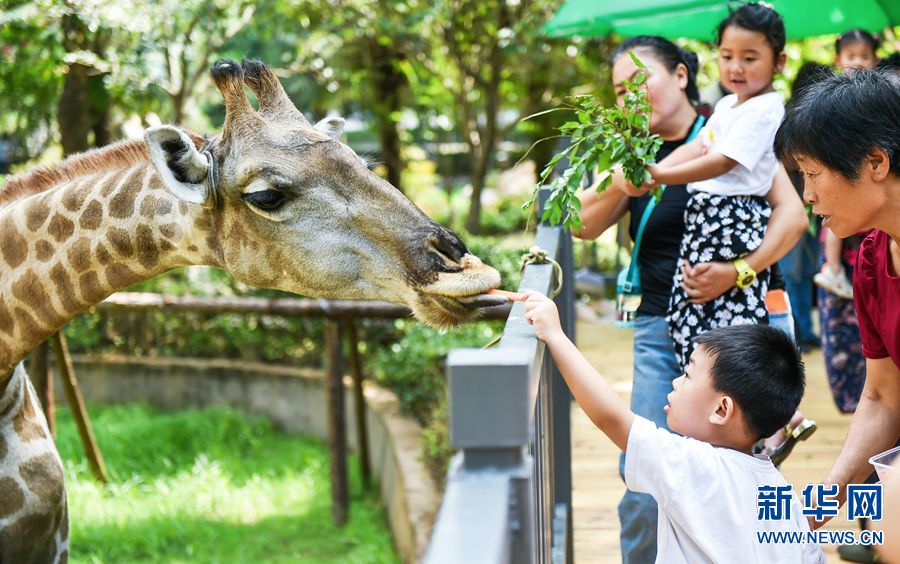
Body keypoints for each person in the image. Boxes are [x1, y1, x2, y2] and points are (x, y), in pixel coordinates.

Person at [575, 34, 809, 563]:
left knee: (738, 468)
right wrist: (629, 176)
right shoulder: (632, 158)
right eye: (619, 91)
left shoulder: (732, 131)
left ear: (680, 76)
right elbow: (582, 224)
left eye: (641, 81)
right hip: (659, 325)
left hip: (729, 333)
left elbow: (793, 216)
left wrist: (737, 272)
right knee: (641, 478)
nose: (631, 97)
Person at [523, 293, 826, 563]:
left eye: (688, 375)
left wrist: (556, 335)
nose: (676, 381)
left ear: (721, 410)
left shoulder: (694, 466)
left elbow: (610, 417)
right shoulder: (783, 496)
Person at [774, 69, 900, 534]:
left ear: (875, 162)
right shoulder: (870, 259)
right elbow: (884, 397)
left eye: (812, 174)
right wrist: (821, 503)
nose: (806, 196)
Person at [643, 3, 787, 368]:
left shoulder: (766, 108)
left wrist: (661, 177)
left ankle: (765, 410)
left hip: (733, 218)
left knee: (730, 323)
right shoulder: (727, 105)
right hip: (706, 218)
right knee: (693, 310)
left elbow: (721, 161)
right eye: (727, 56)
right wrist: (655, 169)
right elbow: (697, 146)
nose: (736, 67)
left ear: (779, 62)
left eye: (750, 58)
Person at [813, 29, 880, 299]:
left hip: (866, 181)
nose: (859, 62)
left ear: (875, 59)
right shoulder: (831, 98)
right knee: (836, 223)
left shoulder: (878, 95)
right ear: (838, 59)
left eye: (865, 56)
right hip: (842, 173)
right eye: (852, 56)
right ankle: (834, 269)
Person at [778, 62, 830, 352]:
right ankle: (797, 333)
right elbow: (787, 161)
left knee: (802, 270)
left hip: (805, 203)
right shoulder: (794, 116)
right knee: (793, 271)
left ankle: (804, 332)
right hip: (793, 205)